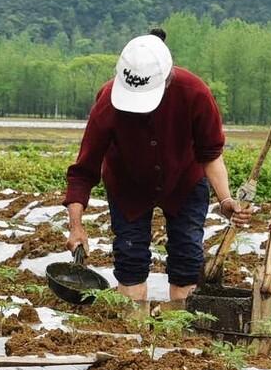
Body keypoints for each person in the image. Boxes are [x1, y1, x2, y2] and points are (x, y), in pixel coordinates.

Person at [63, 29, 251, 315]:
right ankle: (134, 332)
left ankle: (181, 332)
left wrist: (225, 200)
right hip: (128, 184)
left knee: (187, 255)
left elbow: (210, 154)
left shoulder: (194, 93)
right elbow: (84, 169)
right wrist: (76, 225)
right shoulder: (107, 101)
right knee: (129, 256)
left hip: (184, 180)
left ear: (168, 78)